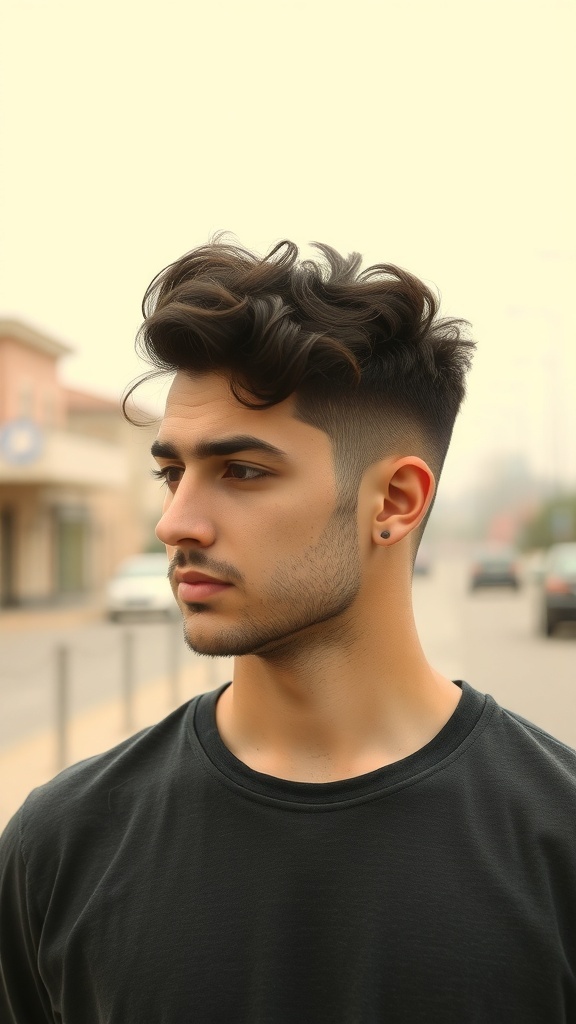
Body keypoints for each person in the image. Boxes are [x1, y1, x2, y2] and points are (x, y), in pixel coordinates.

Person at [1, 238, 575, 1024]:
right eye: (172, 473)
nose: (176, 522)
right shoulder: (62, 845)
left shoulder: (556, 840)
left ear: (395, 503)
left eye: (241, 472)